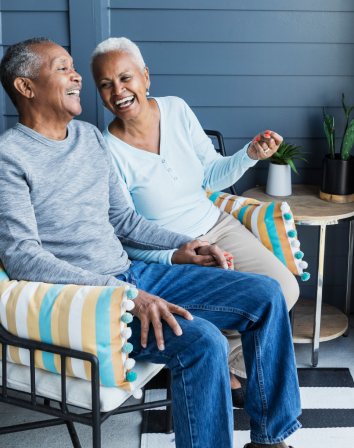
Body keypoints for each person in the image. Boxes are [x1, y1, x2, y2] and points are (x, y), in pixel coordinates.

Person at [0, 37, 301, 448]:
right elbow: (24, 260)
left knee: (267, 294)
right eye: (62, 68)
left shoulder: (89, 139)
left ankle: (270, 440)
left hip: (133, 276)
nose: (77, 76)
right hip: (90, 301)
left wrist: (189, 244)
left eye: (74, 68)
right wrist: (126, 295)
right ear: (26, 87)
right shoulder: (2, 160)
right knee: (204, 344)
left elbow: (124, 220)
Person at [89, 37, 300, 398]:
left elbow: (210, 176)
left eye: (126, 78)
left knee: (285, 289)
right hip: (169, 256)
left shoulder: (176, 109)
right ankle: (212, 360)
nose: (118, 91)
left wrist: (249, 154)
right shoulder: (105, 149)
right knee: (233, 310)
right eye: (106, 84)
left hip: (215, 225)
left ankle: (226, 359)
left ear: (146, 76)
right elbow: (125, 234)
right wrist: (176, 253)